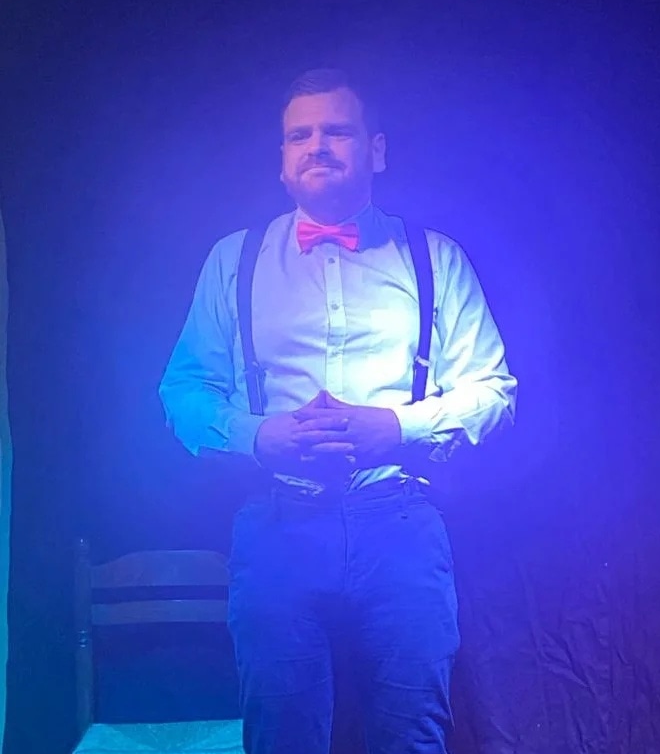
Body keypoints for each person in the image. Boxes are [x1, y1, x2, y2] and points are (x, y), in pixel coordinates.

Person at [159, 68, 518, 754]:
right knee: (281, 737)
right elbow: (184, 390)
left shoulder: (434, 257)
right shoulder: (234, 260)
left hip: (401, 522)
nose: (316, 146)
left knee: (411, 735)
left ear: (375, 150)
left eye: (336, 131)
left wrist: (397, 427)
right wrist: (260, 437)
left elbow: (494, 389)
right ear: (282, 161)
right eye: (300, 135)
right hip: (277, 524)